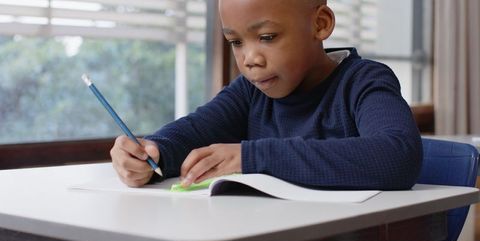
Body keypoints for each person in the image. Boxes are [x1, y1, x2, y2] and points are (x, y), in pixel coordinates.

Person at [110, 0, 423, 190]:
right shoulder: (251, 91)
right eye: (236, 42)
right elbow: (193, 131)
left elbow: (397, 157)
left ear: (320, 23)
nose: (250, 58)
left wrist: (251, 158)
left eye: (267, 37)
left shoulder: (363, 82)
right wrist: (152, 153)